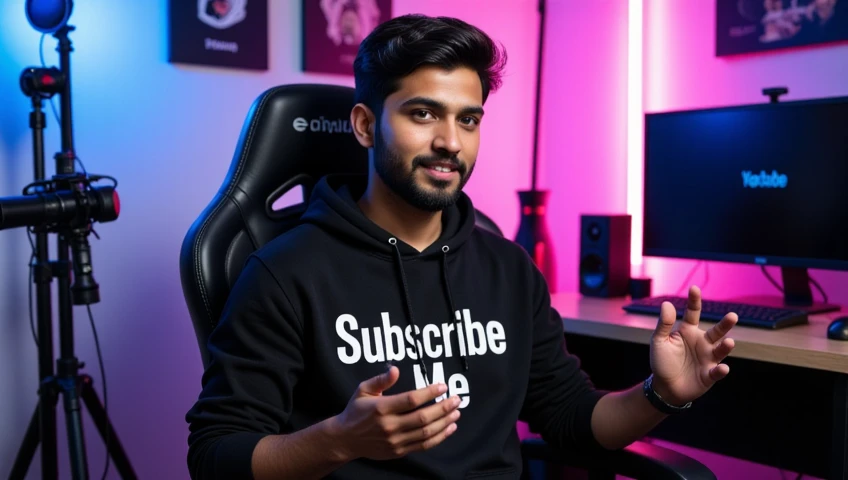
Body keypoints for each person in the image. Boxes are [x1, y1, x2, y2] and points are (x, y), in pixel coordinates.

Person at [185, 13, 738, 480]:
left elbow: (571, 417)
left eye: (468, 119)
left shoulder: (508, 268)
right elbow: (213, 454)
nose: (451, 141)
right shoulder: (287, 271)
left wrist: (660, 393)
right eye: (423, 113)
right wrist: (337, 440)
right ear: (363, 125)